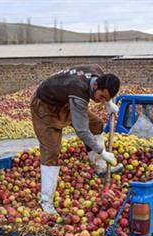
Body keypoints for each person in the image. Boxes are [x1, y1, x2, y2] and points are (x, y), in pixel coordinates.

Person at [31, 65, 122, 216]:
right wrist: (102, 151)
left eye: (106, 98)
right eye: (101, 97)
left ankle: (99, 166)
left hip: (64, 102)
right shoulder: (78, 92)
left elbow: (102, 90)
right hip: (45, 106)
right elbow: (81, 131)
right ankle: (46, 202)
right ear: (95, 86)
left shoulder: (97, 72)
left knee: (97, 124)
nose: (101, 101)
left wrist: (109, 103)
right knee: (52, 151)